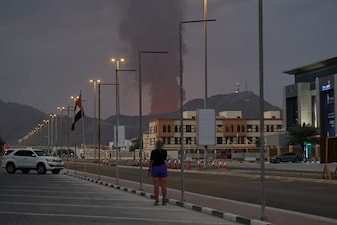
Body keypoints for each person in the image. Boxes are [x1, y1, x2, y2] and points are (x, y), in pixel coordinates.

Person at [148, 139, 168, 206]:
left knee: (156, 186)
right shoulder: (165, 152)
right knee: (164, 186)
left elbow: (151, 162)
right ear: (162, 145)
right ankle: (164, 200)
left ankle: (156, 201)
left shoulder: (153, 152)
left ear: (156, 145)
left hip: (155, 168)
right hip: (162, 167)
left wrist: (149, 170)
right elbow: (164, 159)